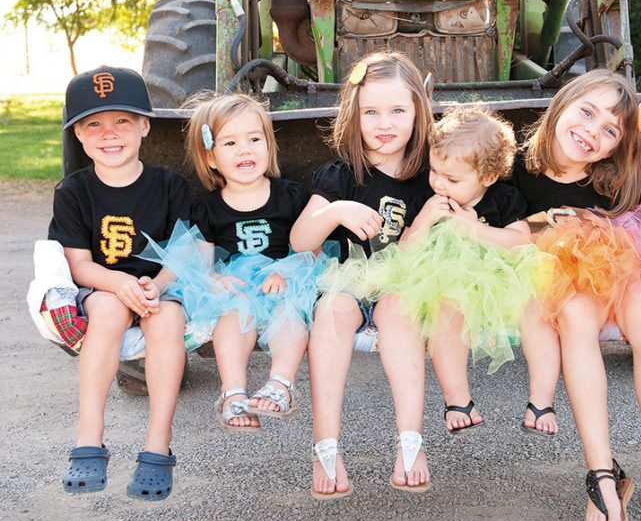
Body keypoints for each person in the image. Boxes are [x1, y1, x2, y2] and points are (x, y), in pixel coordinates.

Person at [509, 69, 641, 521]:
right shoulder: (514, 167)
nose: (592, 131)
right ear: (562, 103)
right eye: (586, 112)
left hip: (623, 262)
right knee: (572, 316)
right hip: (562, 278)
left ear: (617, 147)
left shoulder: (618, 177)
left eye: (610, 130)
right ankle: (603, 472)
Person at [290, 52, 433, 498]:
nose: (383, 123)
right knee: (332, 313)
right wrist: (336, 209)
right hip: (348, 277)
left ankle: (411, 441)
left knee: (400, 312)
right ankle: (325, 444)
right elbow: (300, 241)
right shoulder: (340, 175)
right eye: (370, 112)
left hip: (405, 281)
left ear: (418, 112)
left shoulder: (431, 174)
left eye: (397, 111)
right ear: (354, 115)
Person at [50, 66, 190, 501]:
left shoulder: (169, 185)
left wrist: (159, 284)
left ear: (145, 126)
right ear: (78, 134)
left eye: (122, 122)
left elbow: (187, 250)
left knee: (166, 320)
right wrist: (118, 285)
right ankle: (89, 436)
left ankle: (157, 444)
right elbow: (78, 263)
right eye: (94, 124)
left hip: (159, 289)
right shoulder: (73, 191)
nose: (109, 134)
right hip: (104, 288)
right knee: (108, 310)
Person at [160, 93, 325, 435]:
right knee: (233, 316)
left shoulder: (291, 196)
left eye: (254, 139)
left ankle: (280, 384)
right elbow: (203, 262)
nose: (245, 150)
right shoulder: (207, 208)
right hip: (237, 287)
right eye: (231, 143)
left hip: (285, 278)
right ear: (212, 157)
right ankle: (233, 391)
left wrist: (286, 270)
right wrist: (213, 279)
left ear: (268, 146)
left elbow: (313, 247)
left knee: (289, 312)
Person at [374, 106, 546, 433]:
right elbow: (405, 249)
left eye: (452, 179)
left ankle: (541, 401)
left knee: (538, 304)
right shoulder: (427, 197)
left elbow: (521, 241)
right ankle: (457, 399)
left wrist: (475, 229)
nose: (439, 183)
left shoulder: (504, 198)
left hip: (497, 280)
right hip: (440, 281)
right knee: (447, 312)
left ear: (488, 177)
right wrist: (424, 218)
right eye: (434, 171)